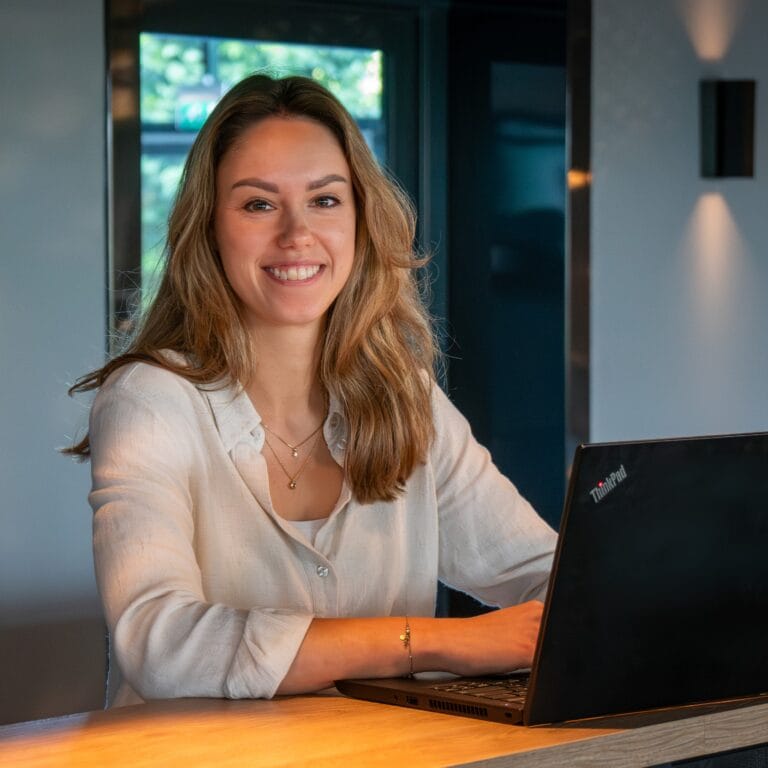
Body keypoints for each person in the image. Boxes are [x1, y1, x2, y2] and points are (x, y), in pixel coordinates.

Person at [67, 74, 557, 706]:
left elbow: (548, 578)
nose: (297, 235)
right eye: (258, 204)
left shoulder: (404, 394)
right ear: (210, 228)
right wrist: (436, 642)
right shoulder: (150, 399)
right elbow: (161, 644)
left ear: (360, 218)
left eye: (325, 200)